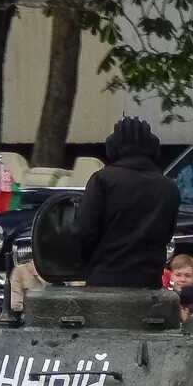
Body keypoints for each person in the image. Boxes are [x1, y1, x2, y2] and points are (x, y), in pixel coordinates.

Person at [74, 116, 180, 288]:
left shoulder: (102, 180)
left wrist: (90, 262)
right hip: (148, 280)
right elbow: (167, 234)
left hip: (104, 279)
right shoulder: (168, 187)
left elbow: (83, 231)